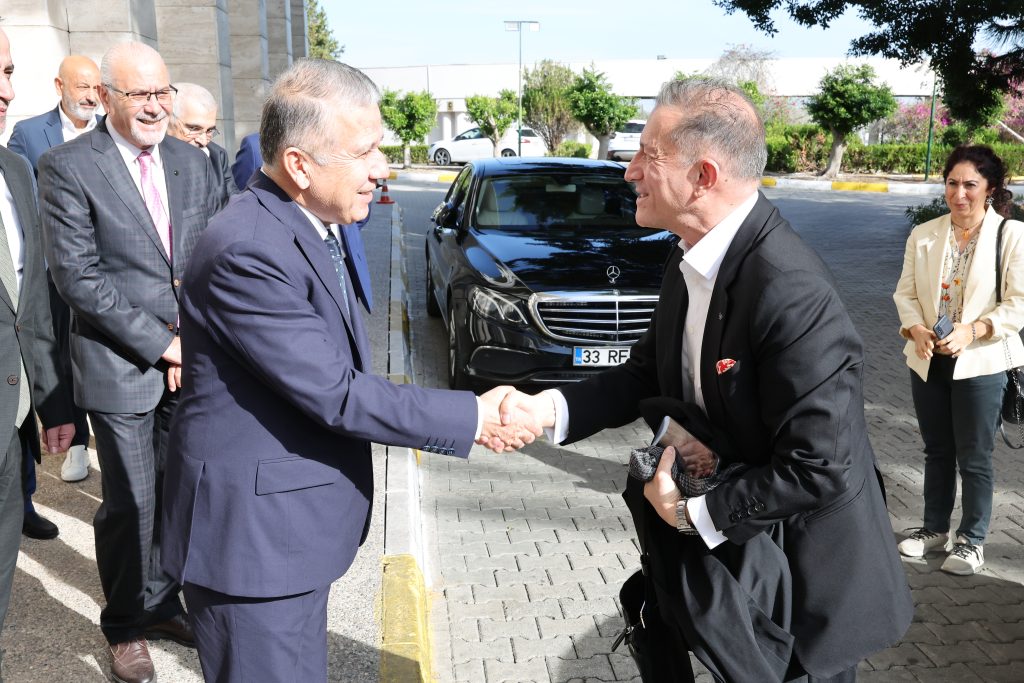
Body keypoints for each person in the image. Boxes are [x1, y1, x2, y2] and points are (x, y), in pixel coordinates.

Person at [502, 78, 913, 681]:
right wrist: (544, 410)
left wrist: (691, 514)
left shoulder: (789, 289)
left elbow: (817, 467)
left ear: (703, 176)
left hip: (800, 588)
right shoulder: (689, 254)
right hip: (740, 564)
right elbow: (647, 372)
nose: (629, 171)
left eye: (648, 155)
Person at [160, 59, 538, 683]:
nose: (381, 168)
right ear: (300, 164)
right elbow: (336, 391)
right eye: (364, 152)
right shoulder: (248, 249)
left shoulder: (307, 222)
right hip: (253, 548)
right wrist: (475, 414)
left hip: (286, 538)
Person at [37, 42, 225, 683]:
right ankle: (123, 625)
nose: (154, 106)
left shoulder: (193, 163)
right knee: (133, 504)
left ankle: (162, 603)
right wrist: (162, 344)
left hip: (188, 362)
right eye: (139, 94)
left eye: (161, 92)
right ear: (106, 96)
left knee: (179, 496)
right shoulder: (67, 166)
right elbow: (78, 277)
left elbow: (210, 261)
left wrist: (194, 341)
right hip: (119, 366)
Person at [893, 145, 1024, 575]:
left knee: (974, 456)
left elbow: (1019, 304)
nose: (959, 193)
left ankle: (971, 541)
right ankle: (934, 529)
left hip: (981, 362)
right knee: (937, 449)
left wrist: (975, 329)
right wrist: (915, 329)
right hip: (928, 357)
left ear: (990, 188)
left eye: (970, 184)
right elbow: (906, 294)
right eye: (952, 183)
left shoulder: (1011, 236)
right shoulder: (925, 234)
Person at [0, 24, 75, 644]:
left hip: (13, 420)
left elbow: (34, 302)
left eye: (5, 73)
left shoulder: (16, 171)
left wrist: (53, 401)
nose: (6, 91)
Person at [7, 56, 100, 537]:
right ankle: (71, 446)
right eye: (82, 86)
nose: (90, 95)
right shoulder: (27, 135)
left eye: (97, 87)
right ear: (59, 85)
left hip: (103, 275)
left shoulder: (109, 132)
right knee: (58, 356)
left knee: (94, 358)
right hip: (50, 277)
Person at [231, 130, 375, 313]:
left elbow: (361, 213)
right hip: (296, 268)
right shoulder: (254, 146)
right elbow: (248, 205)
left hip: (345, 262)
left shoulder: (348, 135)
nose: (381, 170)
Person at [167, 81, 237, 204]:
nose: (203, 141)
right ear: (167, 120)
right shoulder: (148, 160)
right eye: (194, 129)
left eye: (209, 130)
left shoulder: (217, 156)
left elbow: (236, 205)